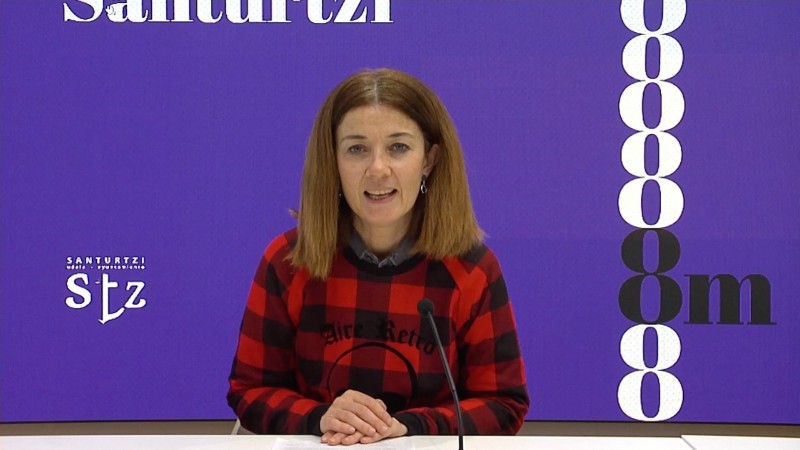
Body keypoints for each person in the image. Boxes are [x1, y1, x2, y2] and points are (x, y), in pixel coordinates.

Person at [227, 68, 529, 445]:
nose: (378, 169)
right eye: (357, 149)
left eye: (398, 148)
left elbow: (503, 404)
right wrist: (321, 417)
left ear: (429, 159)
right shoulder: (288, 261)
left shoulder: (473, 269)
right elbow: (250, 391)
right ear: (332, 161)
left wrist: (409, 427)